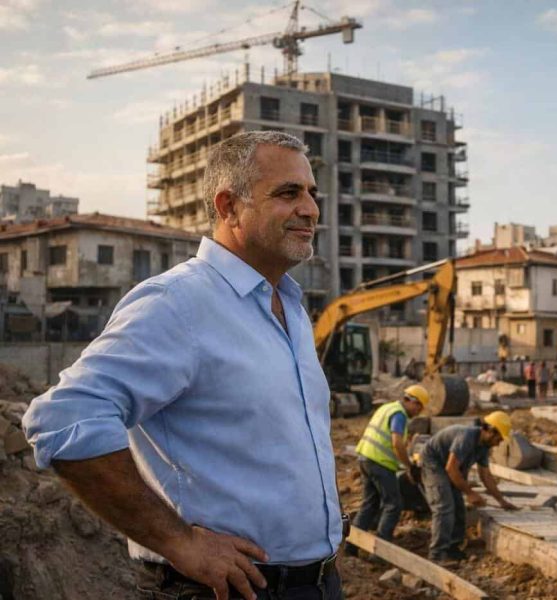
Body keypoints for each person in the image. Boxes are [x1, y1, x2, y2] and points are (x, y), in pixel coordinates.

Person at [22, 131, 346, 599]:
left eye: (312, 194)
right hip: (226, 589)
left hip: (313, 583)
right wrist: (179, 542)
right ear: (229, 206)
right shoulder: (178, 303)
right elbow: (65, 418)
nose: (311, 209)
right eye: (288, 193)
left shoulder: (289, 308)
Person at [420, 412, 518, 562]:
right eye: (498, 438)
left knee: (459, 507)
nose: (499, 443)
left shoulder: (483, 447)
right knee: (444, 507)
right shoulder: (466, 437)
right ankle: (437, 555)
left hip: (450, 466)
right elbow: (451, 469)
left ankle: (452, 548)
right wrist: (470, 493)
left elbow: (485, 476)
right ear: (490, 430)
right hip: (434, 463)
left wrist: (501, 501)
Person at [353, 385, 429, 541]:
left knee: (370, 504)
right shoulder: (399, 414)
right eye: (419, 408)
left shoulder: (387, 407)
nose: (418, 413)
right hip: (380, 463)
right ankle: (381, 548)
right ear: (413, 402)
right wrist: (409, 466)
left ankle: (351, 545)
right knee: (393, 505)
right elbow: (396, 443)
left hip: (365, 459)